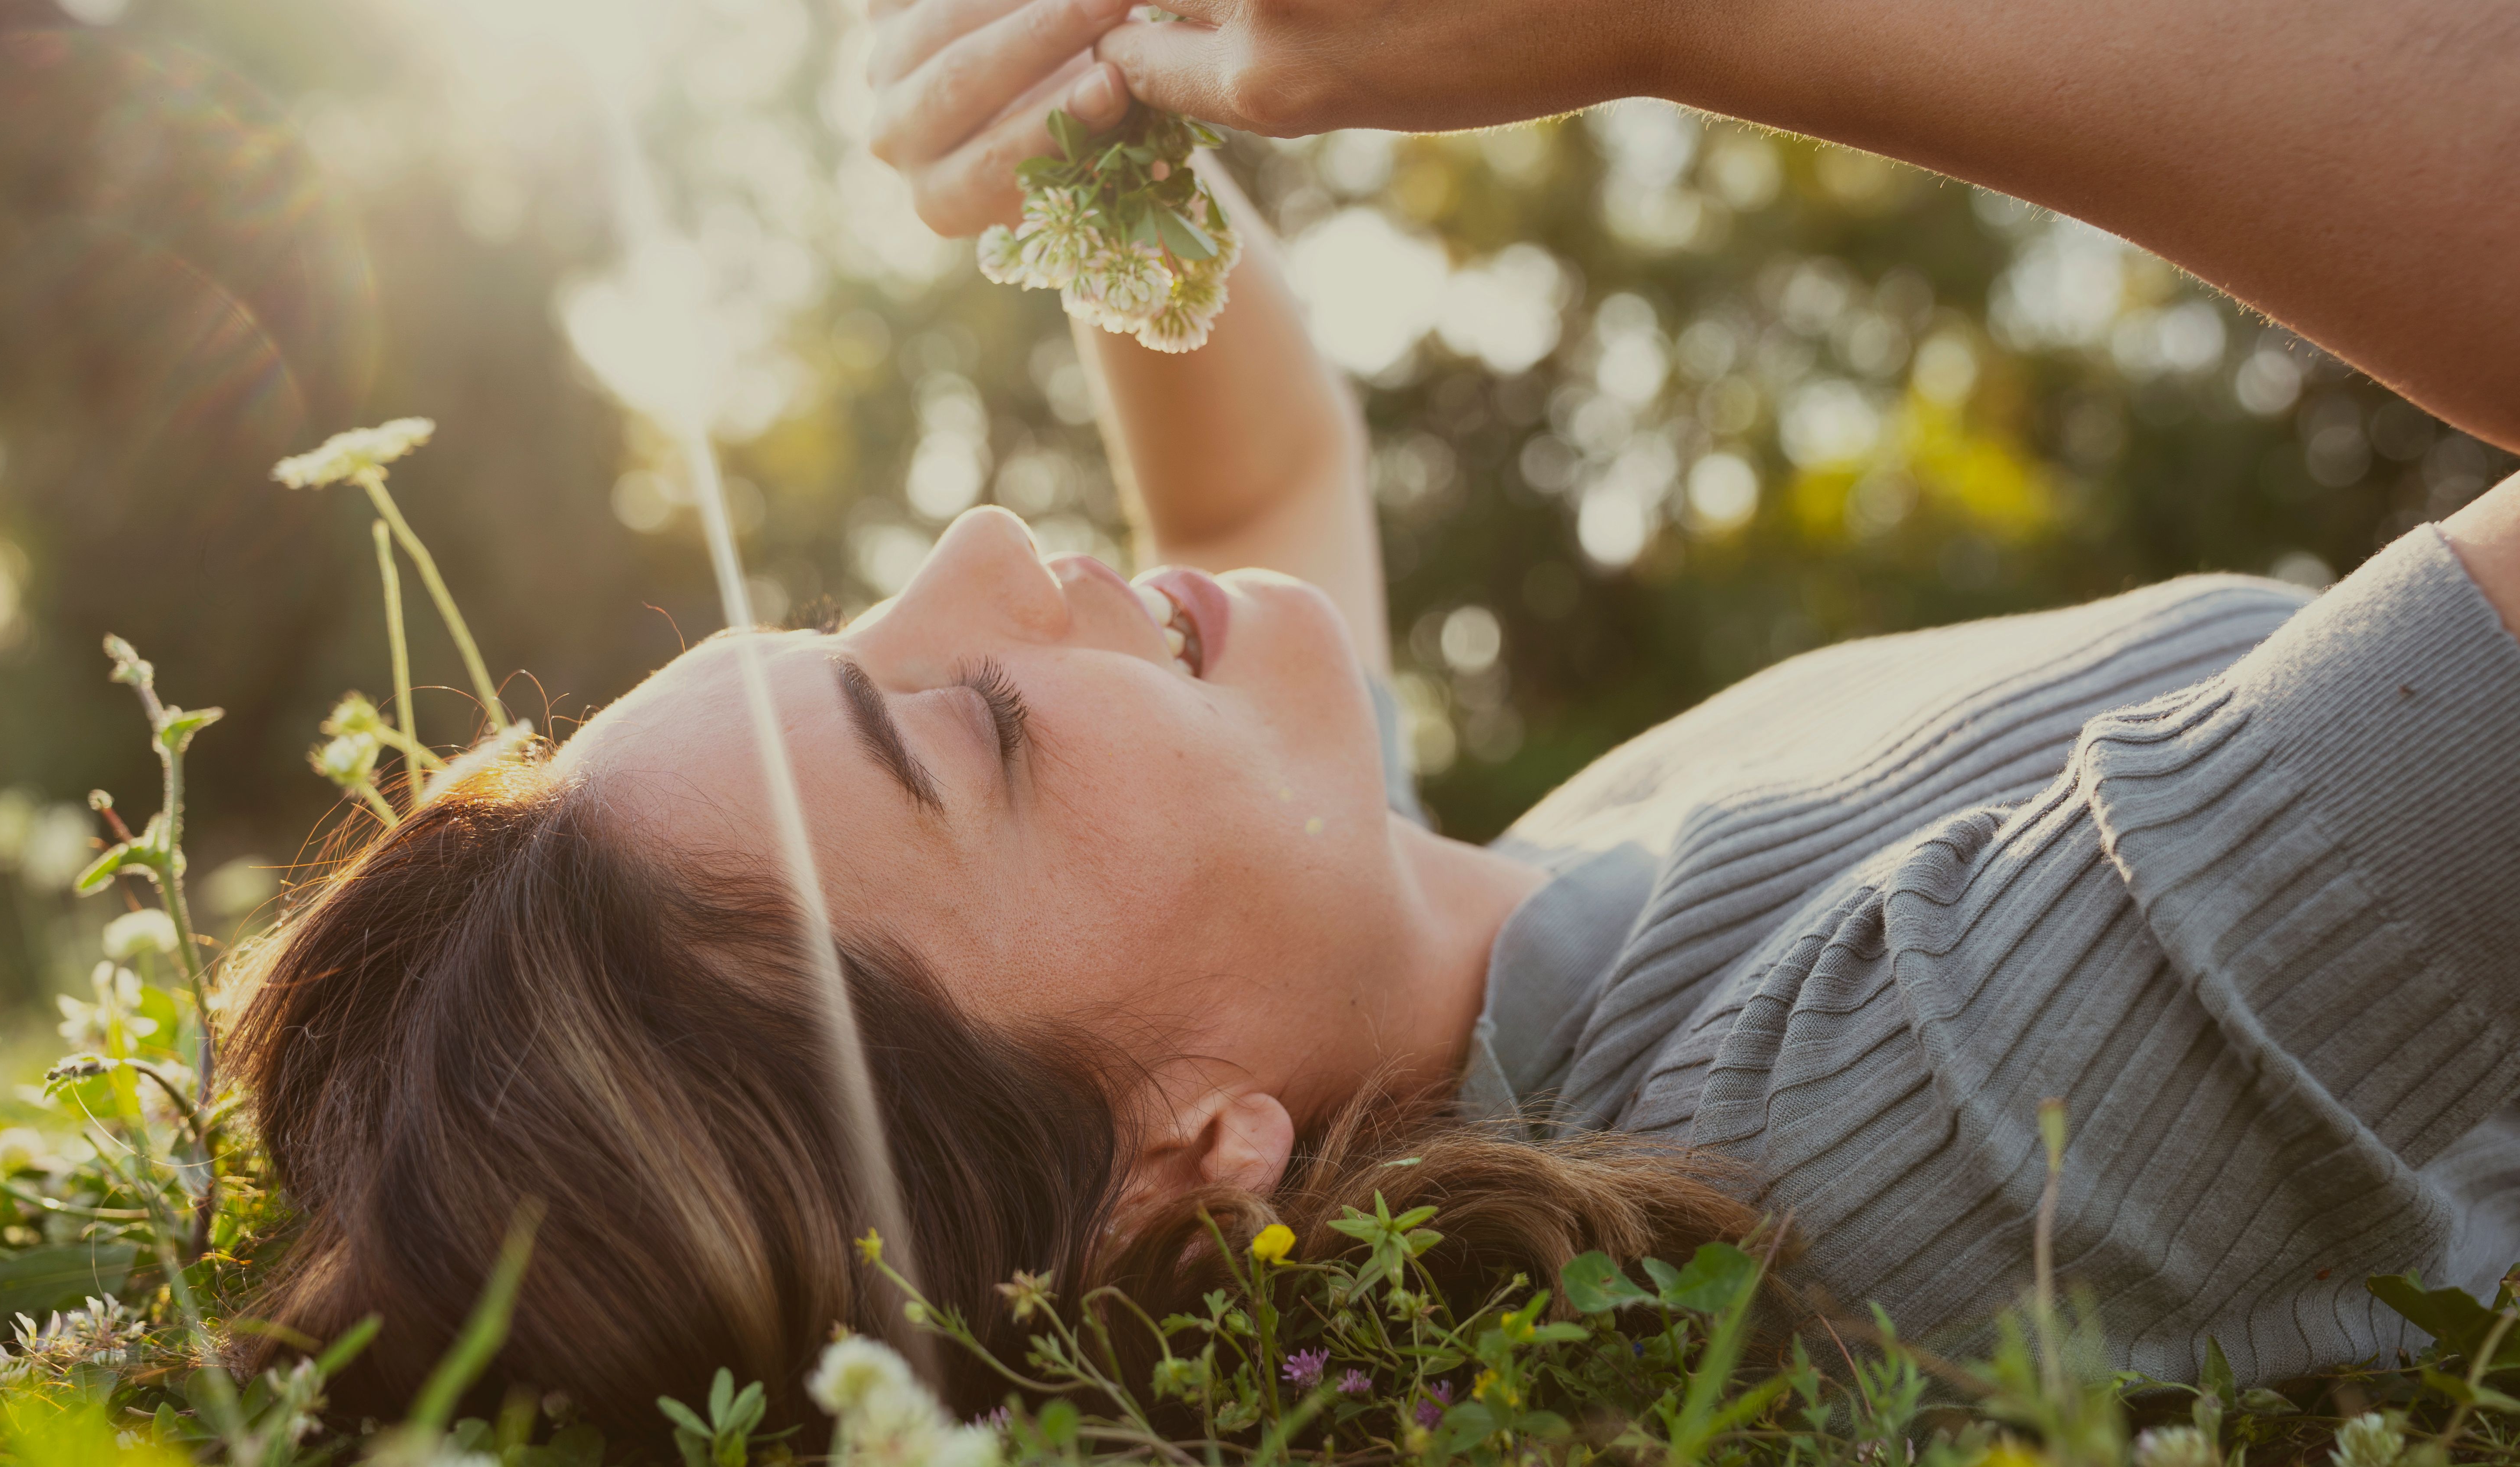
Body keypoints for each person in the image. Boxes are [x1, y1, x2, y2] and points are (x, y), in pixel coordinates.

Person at [228, 0, 2520, 1436]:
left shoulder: (1411, 979)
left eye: (858, 617)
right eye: (971, 732)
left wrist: (1092, 103)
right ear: (1180, 1175)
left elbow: (1249, 485)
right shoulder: (1842, 1153)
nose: (997, 547)